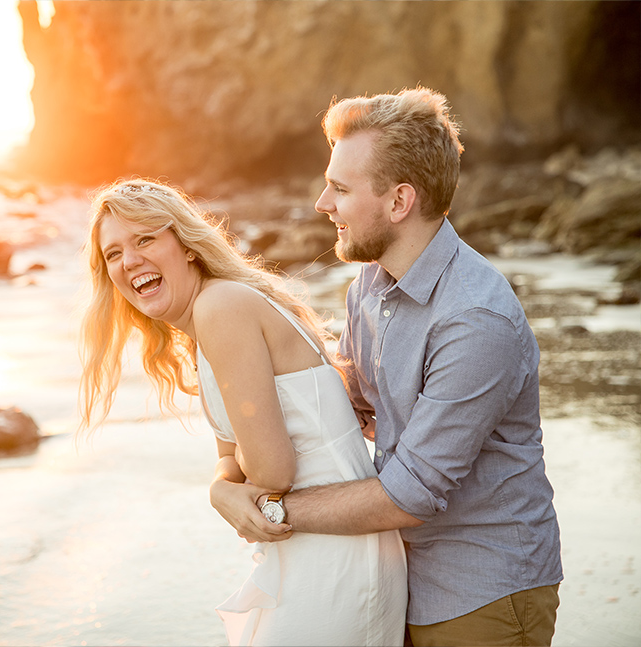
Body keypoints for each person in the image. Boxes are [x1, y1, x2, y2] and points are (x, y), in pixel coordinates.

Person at [209, 87, 564, 646]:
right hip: (397, 576)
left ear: (399, 202)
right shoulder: (370, 285)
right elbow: (345, 407)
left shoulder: (474, 321)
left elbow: (412, 494)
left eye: (340, 188)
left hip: (484, 589)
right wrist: (228, 474)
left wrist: (273, 510)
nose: (322, 203)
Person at [78, 178, 408, 645]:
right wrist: (219, 489)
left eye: (145, 239)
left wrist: (236, 488)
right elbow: (230, 453)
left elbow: (272, 470)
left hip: (336, 559)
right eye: (113, 254)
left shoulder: (220, 308)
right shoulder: (207, 320)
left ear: (187, 246)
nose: (130, 260)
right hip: (320, 544)